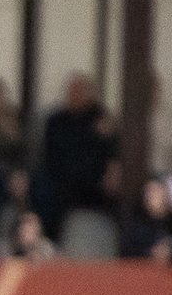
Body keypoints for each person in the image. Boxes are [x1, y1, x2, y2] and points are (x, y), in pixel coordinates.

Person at [37, 73, 118, 236]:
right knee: (44, 191)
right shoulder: (56, 120)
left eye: (82, 91)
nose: (77, 95)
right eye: (74, 91)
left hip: (96, 179)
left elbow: (113, 150)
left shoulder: (100, 117)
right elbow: (51, 154)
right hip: (62, 179)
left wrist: (112, 170)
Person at [119, 176, 172, 261]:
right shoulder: (135, 225)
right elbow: (126, 255)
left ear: (165, 194)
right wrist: (150, 253)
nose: (150, 196)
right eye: (147, 192)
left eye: (155, 191)